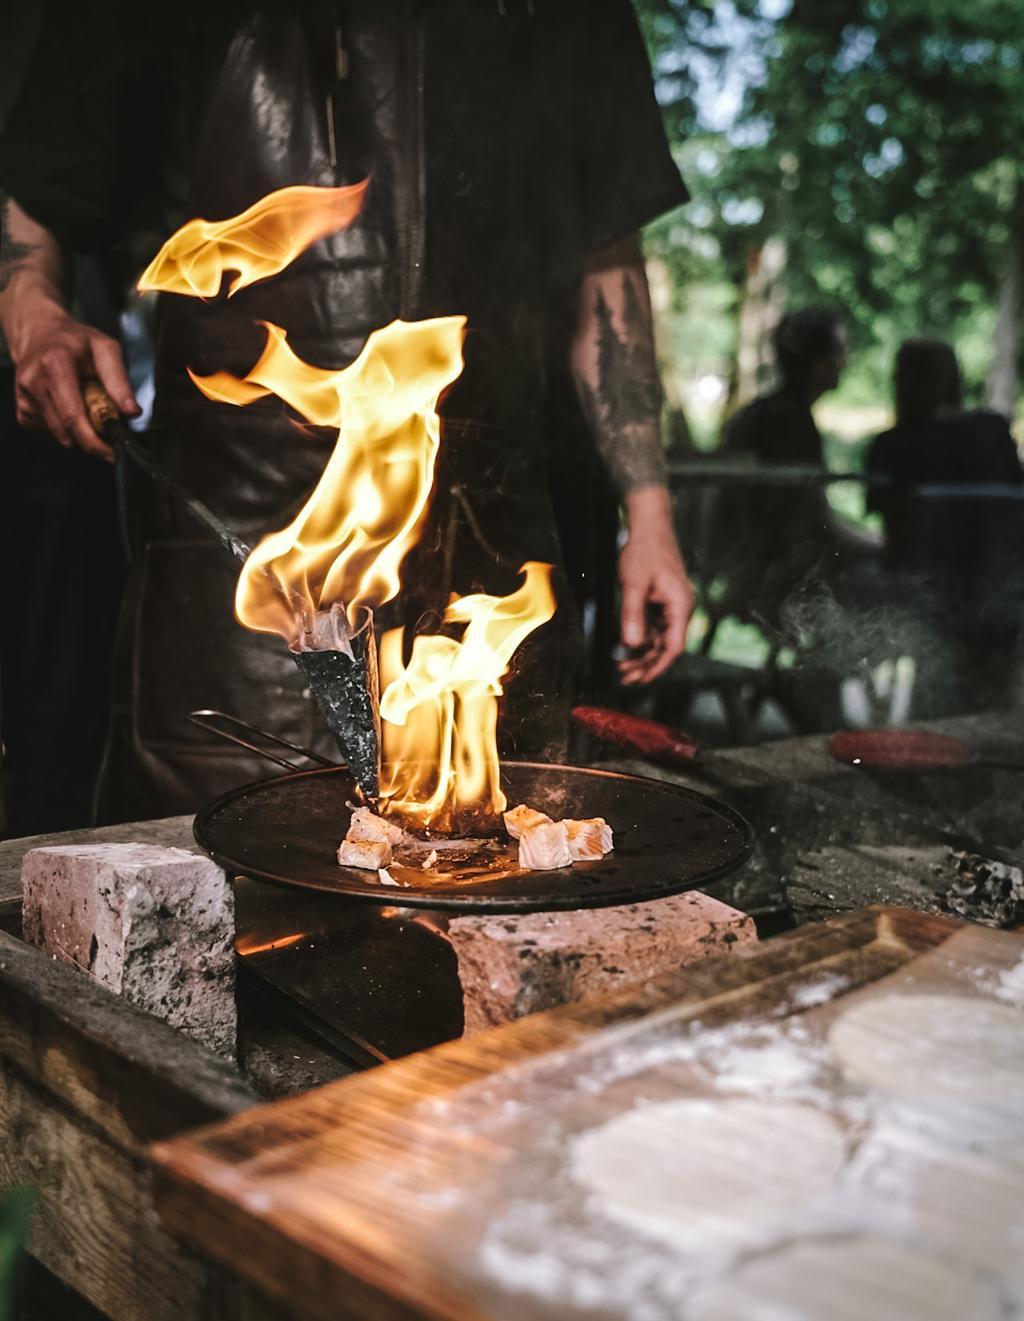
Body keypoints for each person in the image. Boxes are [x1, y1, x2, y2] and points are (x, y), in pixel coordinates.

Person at [0, 0, 693, 821]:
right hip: (240, 573)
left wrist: (650, 513)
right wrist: (35, 315)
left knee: (500, 869)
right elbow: (35, 201)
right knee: (223, 879)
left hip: (492, 577)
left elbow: (607, 260)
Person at [866, 337, 1024, 714]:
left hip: (925, 601)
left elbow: (893, 537)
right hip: (1001, 596)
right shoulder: (992, 431)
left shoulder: (891, 445)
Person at [707, 306, 871, 640]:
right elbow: (816, 521)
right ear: (818, 363)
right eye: (838, 352)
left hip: (746, 568)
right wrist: (877, 543)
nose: (844, 361)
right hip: (778, 578)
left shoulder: (758, 413)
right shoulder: (792, 425)